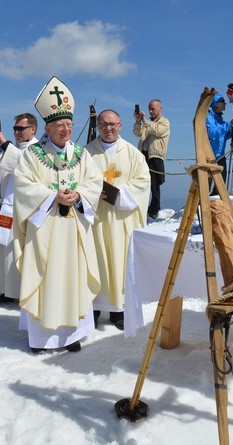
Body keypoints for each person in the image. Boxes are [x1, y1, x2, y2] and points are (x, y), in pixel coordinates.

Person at [13, 76, 102, 353]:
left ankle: (71, 336)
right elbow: (23, 184)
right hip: (46, 227)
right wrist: (52, 195)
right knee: (47, 277)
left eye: (69, 125)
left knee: (72, 279)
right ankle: (41, 338)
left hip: (73, 226)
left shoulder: (81, 154)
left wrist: (78, 195)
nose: (66, 130)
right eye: (60, 126)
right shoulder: (33, 154)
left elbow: (94, 181)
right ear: (48, 128)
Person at [86, 109, 150, 330]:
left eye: (113, 124)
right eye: (104, 124)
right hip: (94, 219)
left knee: (121, 263)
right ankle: (92, 309)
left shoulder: (133, 154)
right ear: (98, 127)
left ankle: (119, 310)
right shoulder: (85, 153)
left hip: (122, 221)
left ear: (120, 126)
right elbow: (75, 180)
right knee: (94, 262)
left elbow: (143, 184)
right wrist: (91, 192)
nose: (108, 128)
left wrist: (115, 194)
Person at [0, 112, 38, 304]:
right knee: (1, 248)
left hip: (22, 209)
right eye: (15, 129)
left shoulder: (38, 149)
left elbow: (23, 165)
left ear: (33, 129)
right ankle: (2, 289)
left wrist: (6, 144)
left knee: (16, 250)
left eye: (21, 128)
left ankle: (18, 291)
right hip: (4, 207)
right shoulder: (12, 149)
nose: (17, 132)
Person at [133, 99, 170, 219]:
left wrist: (145, 121)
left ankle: (154, 209)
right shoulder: (148, 123)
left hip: (155, 156)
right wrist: (138, 121)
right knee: (142, 182)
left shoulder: (165, 122)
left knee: (155, 184)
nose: (150, 111)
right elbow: (137, 132)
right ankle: (143, 207)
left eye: (153, 108)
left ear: (160, 108)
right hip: (144, 155)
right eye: (150, 108)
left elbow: (158, 130)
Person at [206, 93, 232, 192]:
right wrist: (229, 125)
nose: (225, 103)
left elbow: (222, 137)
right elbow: (212, 133)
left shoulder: (220, 119)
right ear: (216, 104)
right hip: (209, 156)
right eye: (223, 101)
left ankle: (214, 204)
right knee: (206, 184)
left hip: (220, 156)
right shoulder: (209, 118)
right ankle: (203, 205)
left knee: (220, 184)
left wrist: (232, 133)